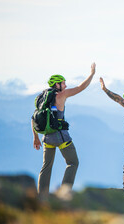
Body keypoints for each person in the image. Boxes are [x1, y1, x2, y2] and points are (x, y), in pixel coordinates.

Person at [32, 63, 96, 196]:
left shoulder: (41, 98)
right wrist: (92, 74)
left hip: (47, 138)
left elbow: (33, 118)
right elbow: (80, 87)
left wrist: (36, 138)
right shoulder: (62, 95)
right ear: (57, 85)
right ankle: (64, 192)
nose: (65, 85)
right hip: (62, 137)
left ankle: (41, 196)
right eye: (63, 83)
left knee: (46, 167)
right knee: (73, 163)